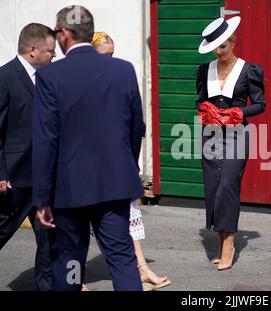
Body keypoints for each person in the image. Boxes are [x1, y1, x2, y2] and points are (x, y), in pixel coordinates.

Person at [33, 5, 144, 291]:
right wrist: (126, 168)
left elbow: (46, 140)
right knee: (122, 259)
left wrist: (42, 198)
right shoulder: (123, 70)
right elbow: (135, 128)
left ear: (63, 33)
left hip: (70, 191)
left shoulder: (50, 77)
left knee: (70, 259)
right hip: (114, 183)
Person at [89, 31, 171, 291]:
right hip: (90, 163)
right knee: (79, 226)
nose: (110, 59)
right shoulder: (83, 81)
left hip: (118, 159)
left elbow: (136, 121)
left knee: (129, 214)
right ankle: (74, 278)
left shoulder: (120, 76)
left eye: (113, 54)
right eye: (105, 55)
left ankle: (142, 267)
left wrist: (131, 160)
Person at [196, 17, 266, 270]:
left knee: (227, 185)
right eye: (215, 47)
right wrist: (206, 109)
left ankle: (229, 245)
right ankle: (221, 238)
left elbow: (260, 104)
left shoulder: (249, 70)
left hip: (237, 134)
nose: (219, 51)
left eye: (223, 46)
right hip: (210, 134)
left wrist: (239, 113)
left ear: (233, 41)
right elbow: (200, 101)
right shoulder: (205, 70)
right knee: (213, 187)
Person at [0, 23, 56, 291]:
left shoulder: (47, 78)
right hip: (14, 178)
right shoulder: (5, 77)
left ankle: (46, 286)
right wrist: (0, 172)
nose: (53, 56)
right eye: (50, 51)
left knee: (48, 237)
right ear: (32, 50)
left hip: (43, 178)